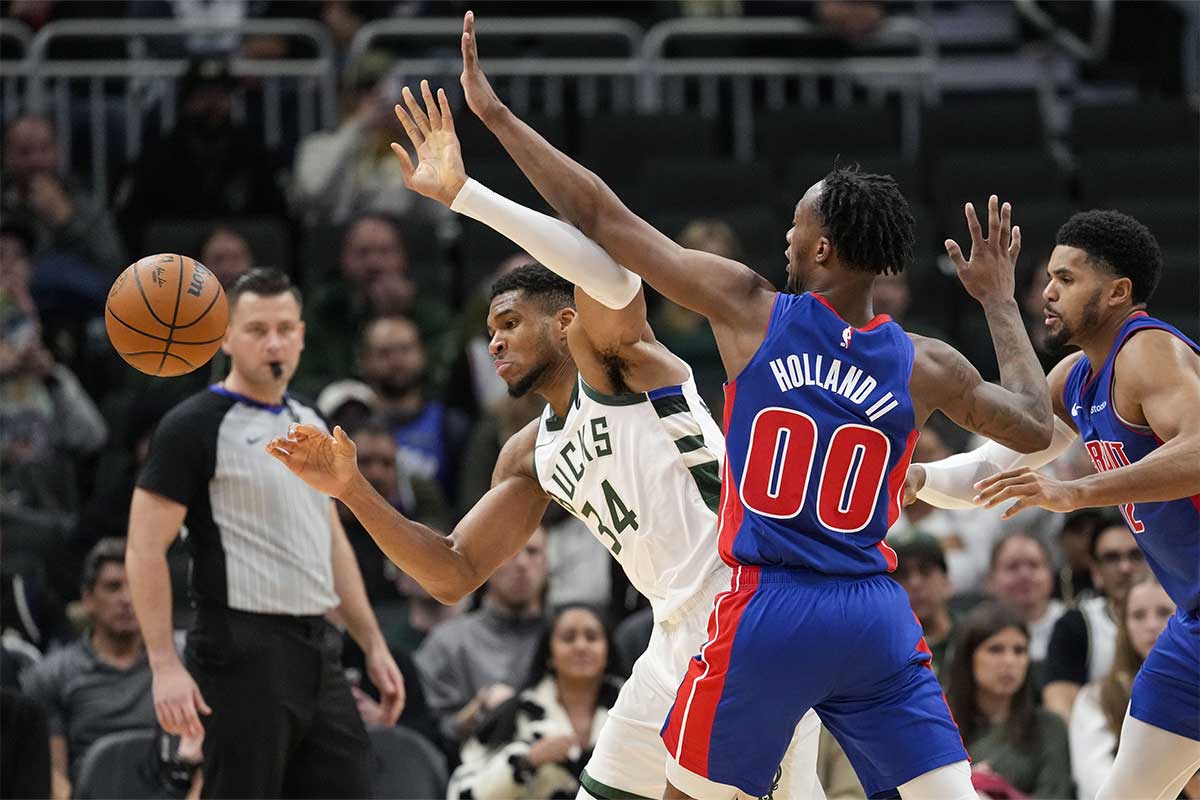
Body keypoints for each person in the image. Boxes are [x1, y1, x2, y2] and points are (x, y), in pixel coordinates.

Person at [445, 11, 1055, 799]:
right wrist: (1002, 300)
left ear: (824, 248)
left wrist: (494, 116)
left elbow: (601, 218)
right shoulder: (924, 362)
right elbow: (1037, 427)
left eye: (799, 227)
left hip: (769, 605)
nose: (790, 240)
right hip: (874, 612)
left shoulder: (752, 309)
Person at [268, 89, 827, 800]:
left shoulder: (624, 365)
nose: (494, 339)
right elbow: (452, 571)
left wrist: (468, 193)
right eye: (489, 329)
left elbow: (611, 266)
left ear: (567, 323)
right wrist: (352, 490)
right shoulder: (528, 454)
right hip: (676, 632)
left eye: (510, 321)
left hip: (750, 608)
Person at [910, 208, 1200, 799]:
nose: (1048, 291)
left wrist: (1075, 491)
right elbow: (994, 469)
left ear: (1118, 292)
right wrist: (911, 478)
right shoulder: (1075, 379)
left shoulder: (1148, 352)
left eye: (1067, 279)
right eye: (1047, 278)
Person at [125, 269, 404, 799]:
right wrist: (163, 664)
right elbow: (143, 549)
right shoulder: (193, 425)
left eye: (284, 328)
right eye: (256, 329)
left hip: (318, 649)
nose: (273, 342)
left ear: (301, 334)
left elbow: (332, 542)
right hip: (239, 650)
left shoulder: (311, 419)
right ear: (226, 336)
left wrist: (372, 642)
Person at [21, 538, 156, 799]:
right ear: (87, 599)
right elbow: (55, 777)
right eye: (113, 587)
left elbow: (203, 759)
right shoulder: (53, 675)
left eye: (136, 586)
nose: (127, 599)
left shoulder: (178, 667)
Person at [446, 604, 625, 800]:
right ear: (549, 655)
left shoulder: (634, 709)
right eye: (568, 638)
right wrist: (527, 761)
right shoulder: (512, 714)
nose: (581, 646)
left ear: (607, 652)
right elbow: (461, 791)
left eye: (592, 637)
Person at [415, 528, 549, 745]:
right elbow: (428, 735)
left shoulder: (568, 638)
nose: (523, 564)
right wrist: (478, 711)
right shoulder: (447, 643)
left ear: (547, 561)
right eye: (510, 553)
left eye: (533, 552)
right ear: (486, 563)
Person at [943, 603, 1073, 799]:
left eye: (1019, 651)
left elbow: (1057, 795)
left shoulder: (1049, 726)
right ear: (968, 658)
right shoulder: (942, 727)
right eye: (995, 650)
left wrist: (999, 790)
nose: (1010, 661)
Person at [1070, 572, 1174, 800]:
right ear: (1123, 623)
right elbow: (1094, 785)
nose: (1152, 625)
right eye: (1138, 615)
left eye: (1164, 613)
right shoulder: (1096, 697)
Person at [358, 315, 473, 505]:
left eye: (405, 349)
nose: (396, 361)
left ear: (422, 353)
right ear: (365, 360)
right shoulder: (350, 424)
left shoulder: (451, 427)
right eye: (384, 353)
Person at [1041, 519, 1147, 721]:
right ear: (1096, 571)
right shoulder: (1076, 624)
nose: (1125, 567)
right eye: (1111, 558)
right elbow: (1059, 706)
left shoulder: (1183, 616)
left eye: (1136, 555)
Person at [0, 115, 126, 276]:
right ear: (7, 156)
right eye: (25, 152)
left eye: (44, 149)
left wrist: (67, 222)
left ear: (57, 152)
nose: (36, 160)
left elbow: (113, 266)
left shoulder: (83, 204)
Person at [985, 532, 1065, 679]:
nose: (1025, 575)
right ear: (990, 580)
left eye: (1034, 565)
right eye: (1012, 567)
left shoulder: (1073, 623)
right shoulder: (977, 628)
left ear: (1051, 575)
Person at [891, 534, 957, 682]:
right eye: (901, 574)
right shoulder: (878, 650)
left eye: (925, 570)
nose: (915, 583)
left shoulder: (974, 639)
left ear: (946, 581)